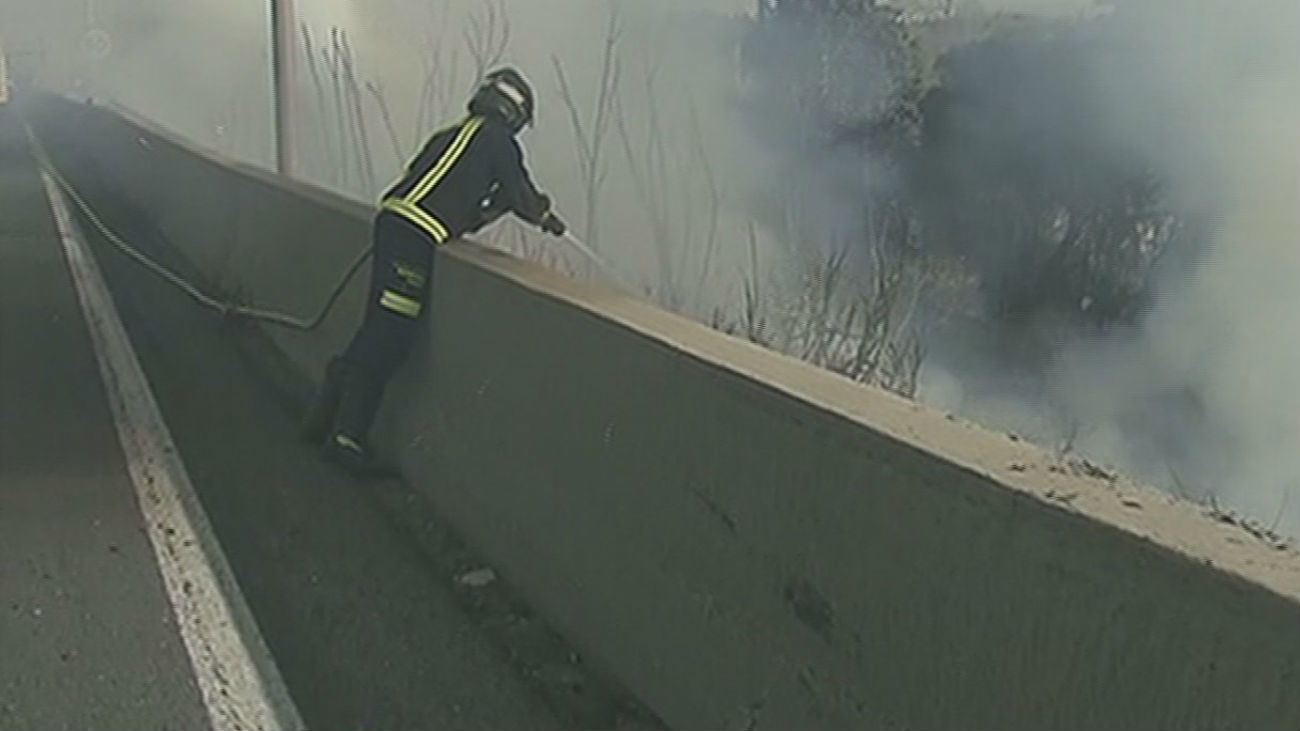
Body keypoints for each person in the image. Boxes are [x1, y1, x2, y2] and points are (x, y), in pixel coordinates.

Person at [303, 66, 567, 475]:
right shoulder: (498, 142)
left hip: (394, 222)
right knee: (391, 335)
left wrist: (495, 208)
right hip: (414, 237)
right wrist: (544, 216)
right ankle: (346, 440)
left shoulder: (451, 136)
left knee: (376, 326)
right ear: (514, 113)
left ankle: (322, 420)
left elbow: (458, 202)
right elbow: (522, 195)